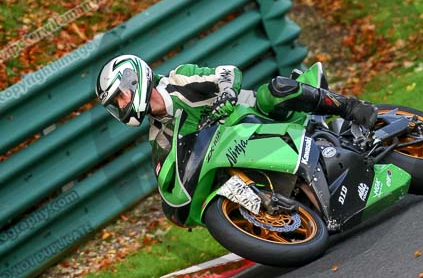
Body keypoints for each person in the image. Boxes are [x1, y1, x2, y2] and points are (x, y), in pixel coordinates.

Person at [96, 55, 378, 224]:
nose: (121, 106)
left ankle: (351, 108)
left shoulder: (179, 80)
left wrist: (226, 93)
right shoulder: (158, 135)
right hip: (234, 152)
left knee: (276, 90)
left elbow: (227, 72)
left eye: (120, 97)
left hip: (255, 114)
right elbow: (168, 173)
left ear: (134, 79)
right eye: (115, 105)